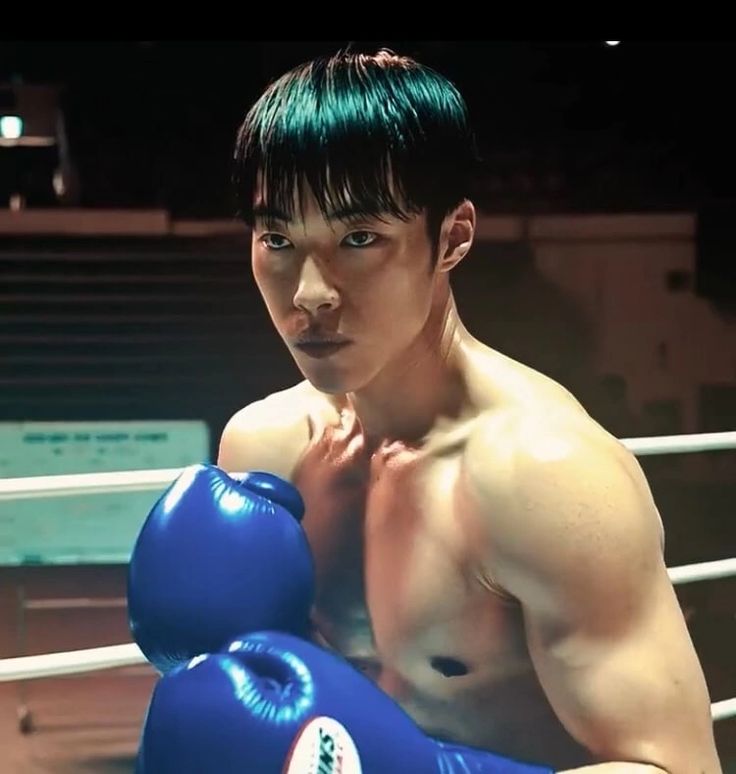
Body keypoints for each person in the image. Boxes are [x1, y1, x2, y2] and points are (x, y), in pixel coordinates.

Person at [179, 47, 720, 771]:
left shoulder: (544, 476)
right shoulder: (264, 449)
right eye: (277, 238)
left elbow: (675, 765)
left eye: (359, 239)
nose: (309, 291)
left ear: (454, 237)